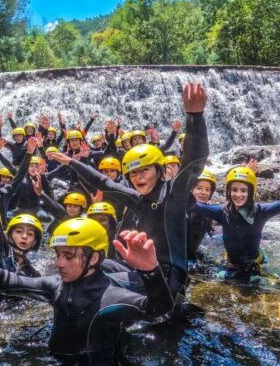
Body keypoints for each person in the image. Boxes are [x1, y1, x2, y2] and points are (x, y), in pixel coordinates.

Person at [0, 218, 174, 364]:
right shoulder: (55, 286)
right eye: (58, 255)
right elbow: (5, 282)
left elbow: (158, 313)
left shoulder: (111, 297)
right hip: (53, 357)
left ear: (94, 259)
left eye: (68, 256)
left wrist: (150, 271)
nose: (59, 263)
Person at [48, 83, 209, 297]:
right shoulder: (137, 199)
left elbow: (194, 161)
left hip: (170, 279)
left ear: (159, 170)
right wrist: (72, 162)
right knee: (93, 266)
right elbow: (105, 183)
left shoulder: (174, 193)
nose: (138, 177)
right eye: (133, 174)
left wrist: (195, 115)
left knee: (91, 285)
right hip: (142, 270)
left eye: (144, 171)